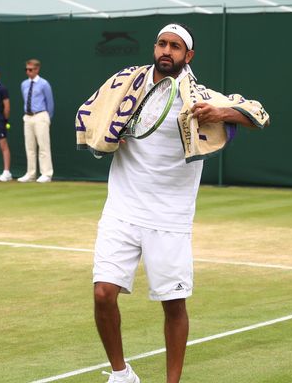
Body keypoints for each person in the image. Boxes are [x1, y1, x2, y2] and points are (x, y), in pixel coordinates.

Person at [91, 23, 269, 383]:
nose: (166, 51)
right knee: (103, 294)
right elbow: (97, 116)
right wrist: (110, 134)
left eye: (175, 46)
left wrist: (220, 114)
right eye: (161, 44)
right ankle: (121, 374)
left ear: (188, 56)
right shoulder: (126, 86)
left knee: (173, 306)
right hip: (121, 211)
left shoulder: (198, 96)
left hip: (169, 218)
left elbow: (258, 115)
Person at [18, 58, 54, 183]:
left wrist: (47, 118)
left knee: (43, 146)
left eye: (31, 69)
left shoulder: (44, 84)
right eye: (26, 69)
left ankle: (46, 174)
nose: (28, 72)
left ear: (37, 69)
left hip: (41, 116)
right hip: (28, 117)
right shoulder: (24, 84)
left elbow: (50, 103)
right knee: (30, 147)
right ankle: (31, 173)